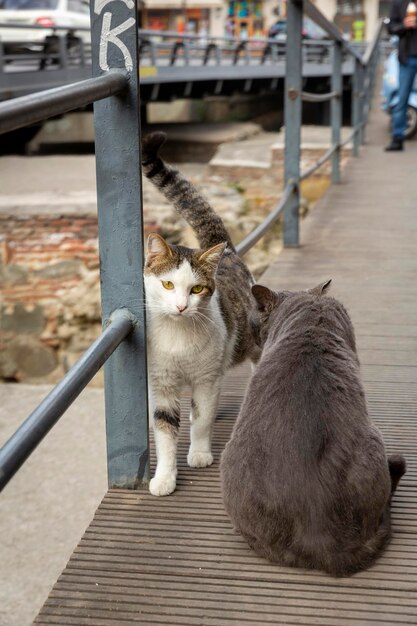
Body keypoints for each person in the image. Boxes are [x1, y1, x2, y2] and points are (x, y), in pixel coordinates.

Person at [385, 0, 417, 151]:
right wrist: (404, 25)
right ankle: (397, 138)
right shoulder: (399, 3)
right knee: (402, 97)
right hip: (408, 57)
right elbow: (390, 28)